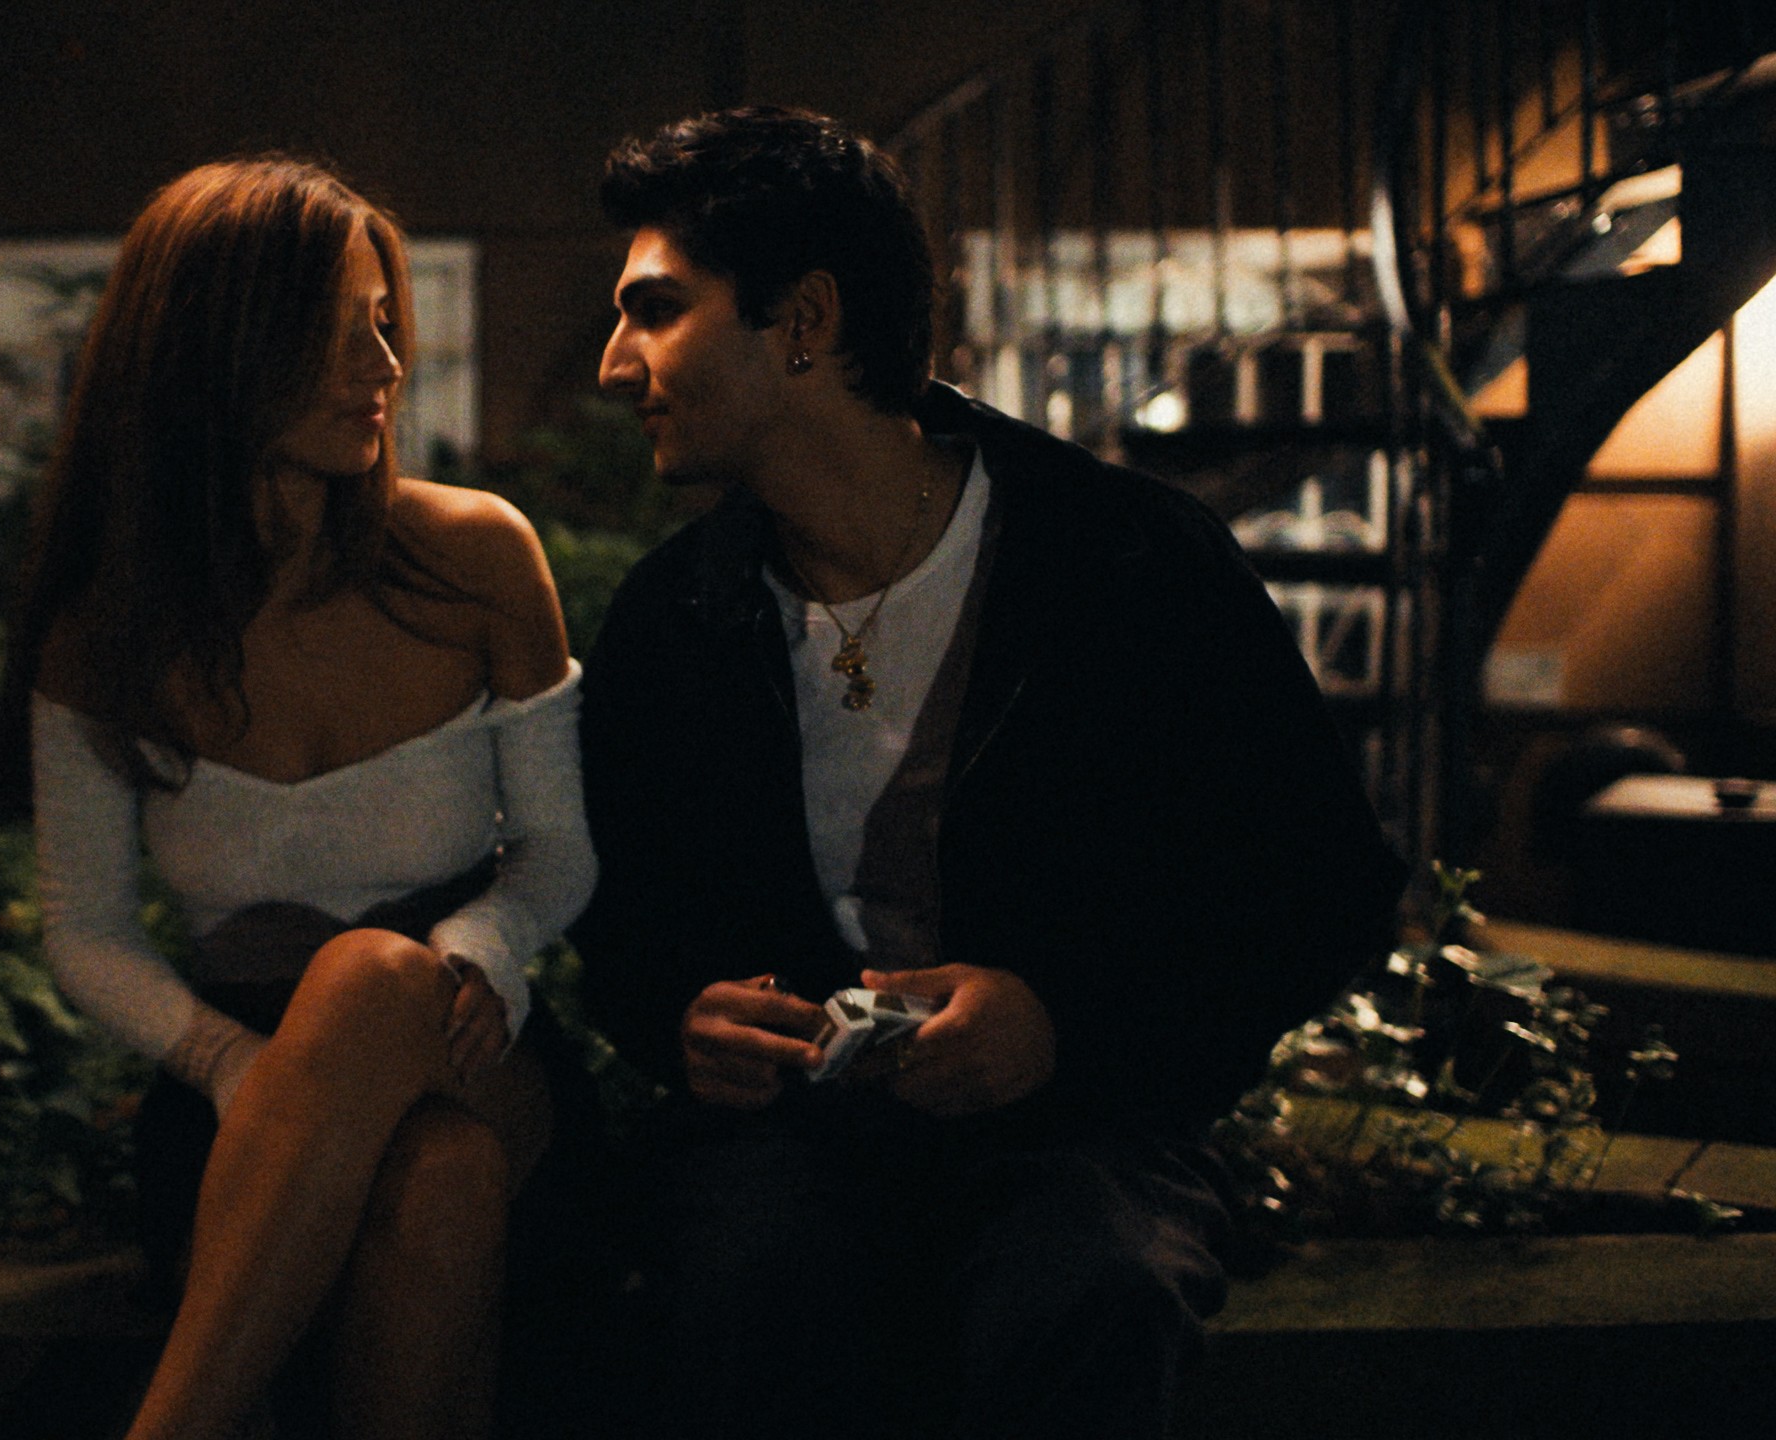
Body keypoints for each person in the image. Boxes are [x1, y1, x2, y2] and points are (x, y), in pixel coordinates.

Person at [570, 107, 1406, 1439]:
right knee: (744, 1294)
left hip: (1084, 1128)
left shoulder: (1123, 560)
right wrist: (686, 1016)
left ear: (804, 320)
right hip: (794, 1147)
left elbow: (1317, 890)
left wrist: (1060, 1022)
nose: (616, 364)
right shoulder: (678, 617)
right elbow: (621, 925)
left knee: (1086, 1294)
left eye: (656, 310)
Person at [11, 156, 594, 1440]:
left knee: (375, 977)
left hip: (474, 1043)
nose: (384, 364)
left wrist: (483, 945)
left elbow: (559, 854)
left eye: (386, 322)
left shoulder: (476, 558)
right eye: (338, 331)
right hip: (244, 1097)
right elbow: (85, 929)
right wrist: (227, 1063)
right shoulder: (108, 628)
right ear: (213, 349)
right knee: (440, 1180)